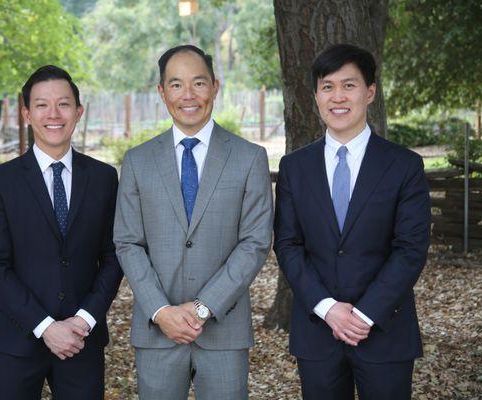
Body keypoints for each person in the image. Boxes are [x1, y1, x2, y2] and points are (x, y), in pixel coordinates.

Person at [114, 45, 273, 400]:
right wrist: (161, 311)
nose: (188, 95)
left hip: (223, 331)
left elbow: (256, 242)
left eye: (198, 83)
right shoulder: (138, 161)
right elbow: (127, 242)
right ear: (161, 92)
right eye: (176, 85)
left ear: (215, 87)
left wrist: (203, 308)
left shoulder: (249, 158)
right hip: (157, 330)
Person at [273, 43, 431, 400]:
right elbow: (287, 245)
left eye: (349, 85)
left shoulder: (404, 165)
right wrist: (328, 309)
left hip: (384, 331)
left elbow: (410, 249)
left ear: (370, 92)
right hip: (317, 332)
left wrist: (364, 314)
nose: (337, 97)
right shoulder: (294, 167)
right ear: (315, 95)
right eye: (327, 86)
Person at [0, 65, 122, 399]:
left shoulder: (103, 178)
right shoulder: (0, 181)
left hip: (82, 340)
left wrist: (84, 320)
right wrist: (45, 327)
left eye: (64, 104)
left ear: (79, 111)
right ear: (27, 113)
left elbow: (115, 254)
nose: (53, 114)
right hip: (18, 339)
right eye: (42, 105)